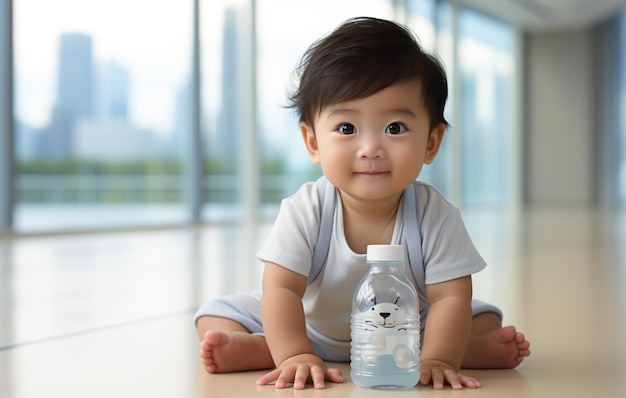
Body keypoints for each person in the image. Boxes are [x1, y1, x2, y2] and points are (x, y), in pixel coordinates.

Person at [195, 16, 530, 390]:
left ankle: (455, 349)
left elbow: (450, 295)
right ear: (313, 143)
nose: (370, 149)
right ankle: (275, 351)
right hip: (310, 327)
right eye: (347, 129)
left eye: (395, 128)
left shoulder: (434, 214)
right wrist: (294, 352)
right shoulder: (307, 209)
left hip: (406, 334)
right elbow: (281, 289)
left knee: (479, 315)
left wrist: (438, 358)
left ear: (432, 143)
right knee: (215, 315)